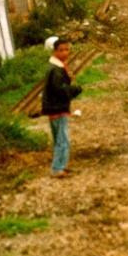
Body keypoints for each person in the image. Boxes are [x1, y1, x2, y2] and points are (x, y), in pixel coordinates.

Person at [41, 38, 82, 178]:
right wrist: (75, 90)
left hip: (54, 107)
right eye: (61, 50)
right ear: (54, 51)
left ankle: (60, 166)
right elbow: (60, 89)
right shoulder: (56, 70)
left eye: (67, 49)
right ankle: (57, 168)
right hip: (57, 108)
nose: (65, 53)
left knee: (59, 139)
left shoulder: (55, 67)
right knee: (62, 140)